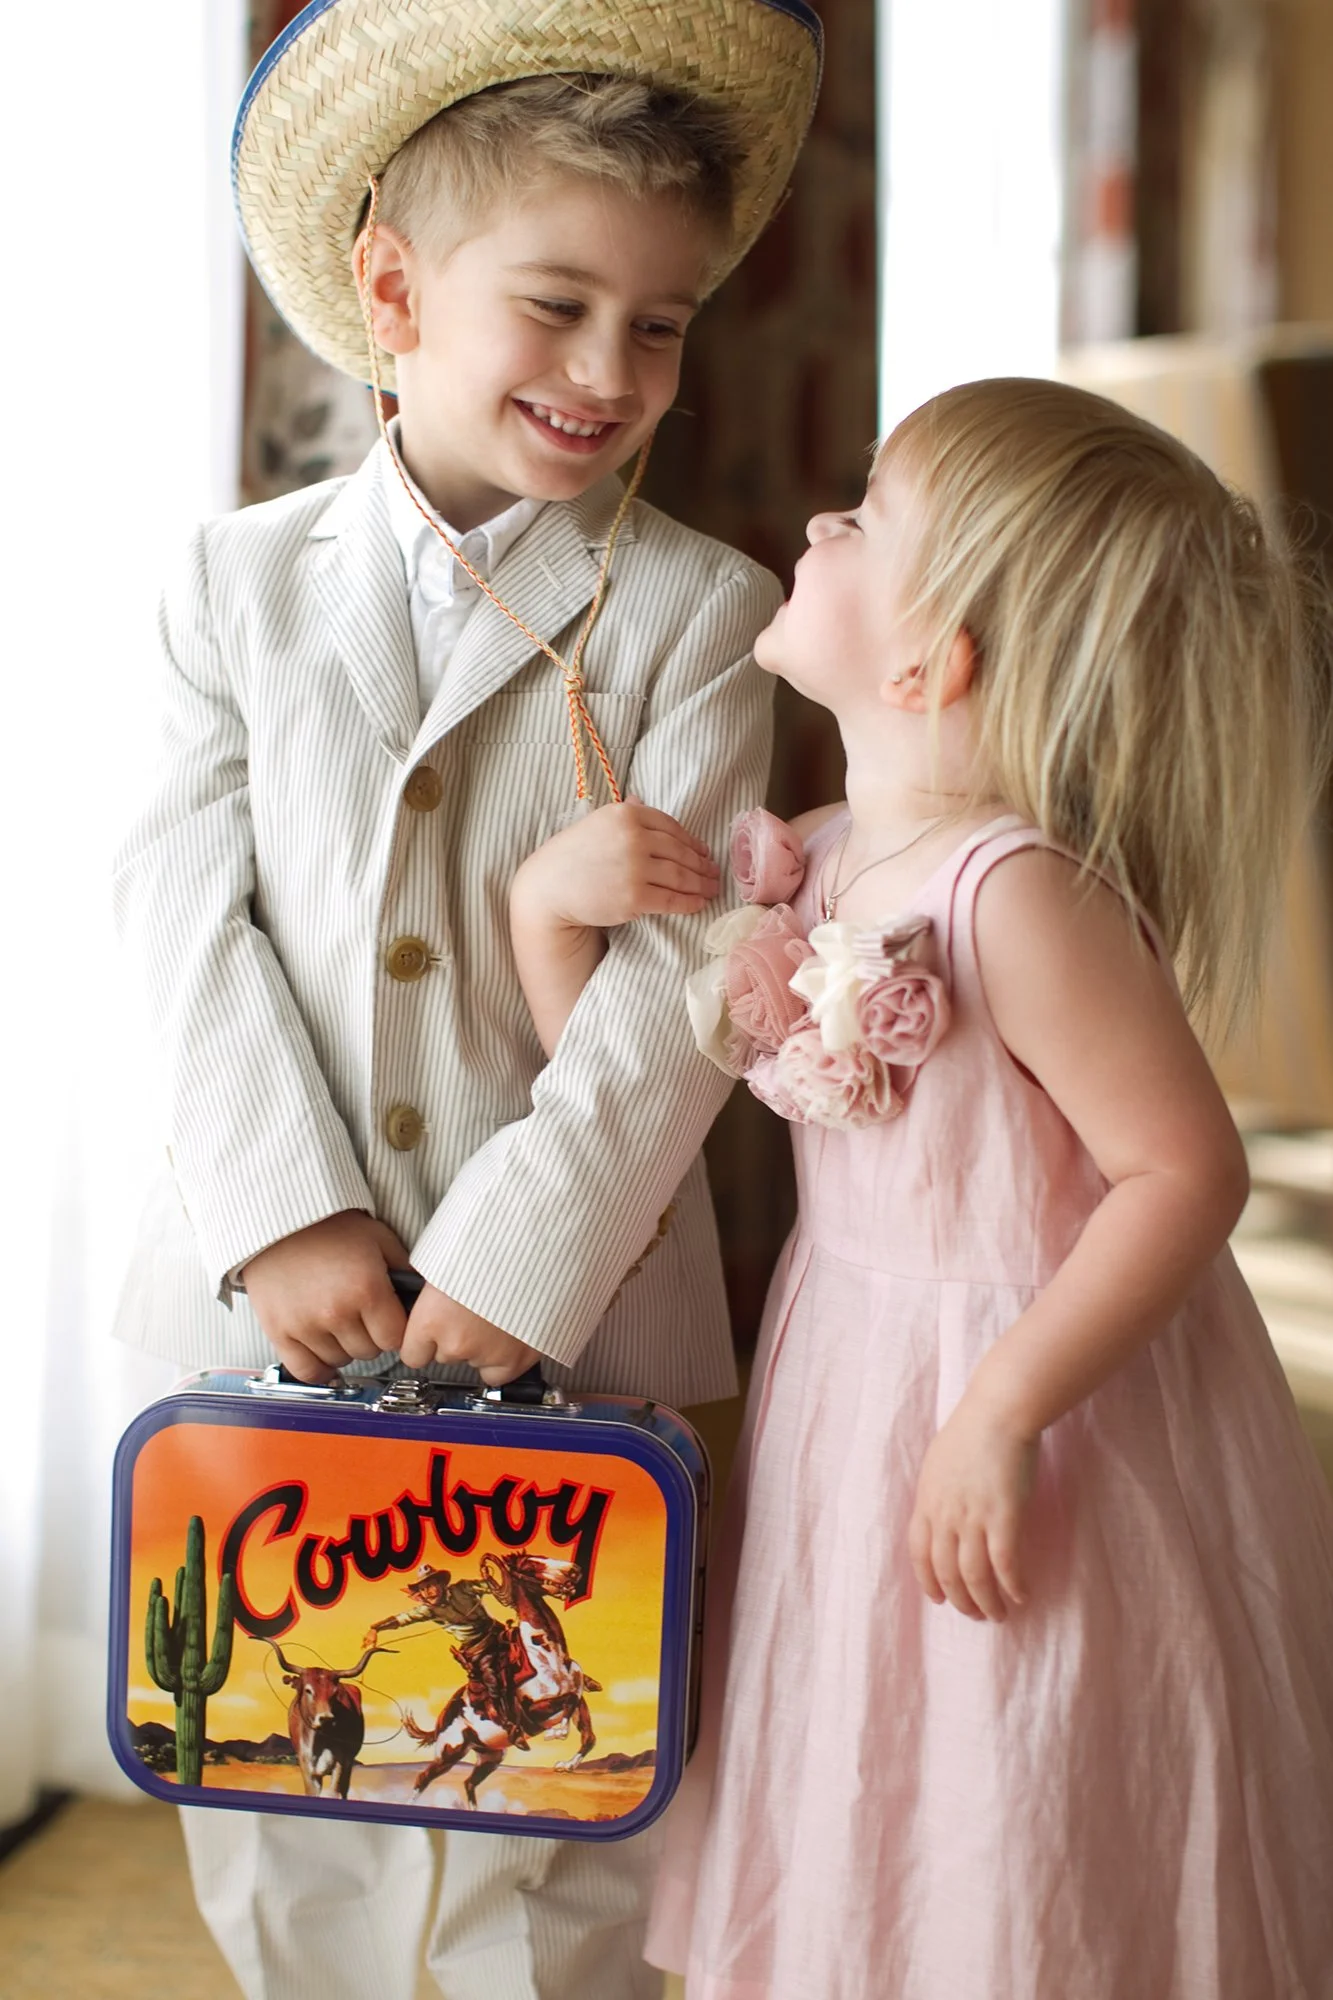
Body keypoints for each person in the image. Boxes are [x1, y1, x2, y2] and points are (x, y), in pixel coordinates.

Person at [111, 5, 821, 1997]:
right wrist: (286, 1209)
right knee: (282, 1762)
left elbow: (681, 979)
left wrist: (524, 1255)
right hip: (281, 1319)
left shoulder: (698, 613)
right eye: (559, 305)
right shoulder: (223, 589)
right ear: (398, 290)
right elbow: (179, 914)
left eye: (660, 325)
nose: (611, 371)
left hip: (575, 1319)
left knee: (565, 1787)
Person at [512, 377, 1333, 1998]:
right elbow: (653, 1120)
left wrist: (1009, 1407)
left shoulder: (1014, 895)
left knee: (1023, 1753)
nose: (817, 523)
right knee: (873, 1740)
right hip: (859, 1382)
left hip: (1042, 1395)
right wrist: (550, 923)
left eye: (865, 516)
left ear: (924, 661)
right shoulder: (809, 856)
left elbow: (1183, 1170)